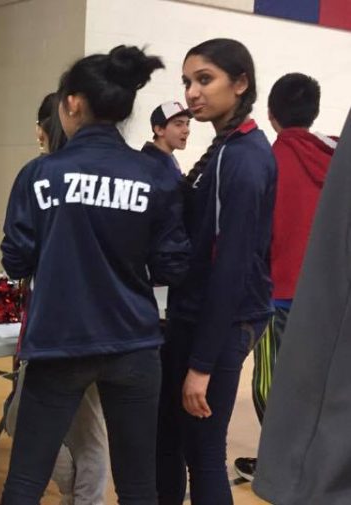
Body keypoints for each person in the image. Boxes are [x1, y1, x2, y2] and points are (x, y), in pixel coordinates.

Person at [0, 45, 190, 505]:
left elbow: (15, 260)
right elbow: (171, 266)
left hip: (59, 342)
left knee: (25, 482)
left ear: (73, 103)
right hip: (135, 343)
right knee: (138, 486)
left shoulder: (39, 174)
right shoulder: (155, 176)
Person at [156, 38, 276, 505]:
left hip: (220, 324)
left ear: (240, 82)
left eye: (204, 79)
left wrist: (202, 367)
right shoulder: (224, 148)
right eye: (187, 81)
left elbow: (232, 267)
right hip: (193, 316)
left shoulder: (244, 157)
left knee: (204, 452)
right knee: (168, 439)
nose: (191, 93)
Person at [233, 72, 338, 481]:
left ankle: (283, 463)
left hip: (279, 295)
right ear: (313, 113)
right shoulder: (336, 157)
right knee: (324, 385)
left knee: (269, 385)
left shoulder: (266, 162)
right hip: (330, 299)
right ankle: (320, 463)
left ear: (271, 115)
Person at [23, 91, 110, 505]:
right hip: (95, 324)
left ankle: (80, 496)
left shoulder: (40, 174)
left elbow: (17, 252)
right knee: (77, 429)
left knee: (81, 431)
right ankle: (77, 494)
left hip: (64, 327)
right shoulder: (102, 173)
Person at [141, 101, 192, 179]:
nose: (186, 130)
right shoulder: (151, 163)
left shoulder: (164, 157)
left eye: (187, 124)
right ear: (159, 130)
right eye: (178, 124)